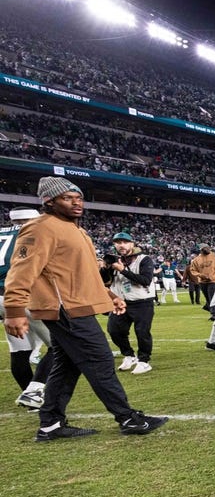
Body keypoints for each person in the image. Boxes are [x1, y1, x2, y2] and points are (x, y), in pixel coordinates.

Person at [2, 177, 166, 440]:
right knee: (100, 360)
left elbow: (84, 273)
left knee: (66, 365)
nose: (76, 202)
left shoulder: (76, 230)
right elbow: (21, 271)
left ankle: (50, 424)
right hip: (63, 307)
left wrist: (109, 295)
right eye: (68, 198)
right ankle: (127, 418)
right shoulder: (40, 228)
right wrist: (14, 309)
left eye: (78, 197)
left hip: (76, 305)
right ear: (49, 201)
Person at [1, 207, 54, 411]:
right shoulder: (33, 234)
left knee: (19, 350)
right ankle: (35, 390)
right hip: (24, 295)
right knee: (59, 346)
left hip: (2, 299)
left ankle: (31, 399)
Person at [101, 231, 157, 374]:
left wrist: (123, 270)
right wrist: (105, 269)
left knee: (142, 332)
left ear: (132, 244)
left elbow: (145, 280)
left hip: (142, 302)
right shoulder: (115, 261)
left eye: (125, 242)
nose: (121, 245)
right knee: (114, 330)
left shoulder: (144, 259)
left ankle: (144, 361)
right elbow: (105, 282)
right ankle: (129, 355)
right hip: (122, 302)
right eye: (118, 243)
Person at [189, 243, 215, 314]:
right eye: (205, 248)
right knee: (208, 297)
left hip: (213, 280)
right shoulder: (196, 260)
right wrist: (201, 275)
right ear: (201, 250)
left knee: (212, 296)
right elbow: (193, 270)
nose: (208, 249)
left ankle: (214, 314)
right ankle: (207, 306)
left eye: (208, 248)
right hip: (202, 281)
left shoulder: (214, 258)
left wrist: (213, 277)